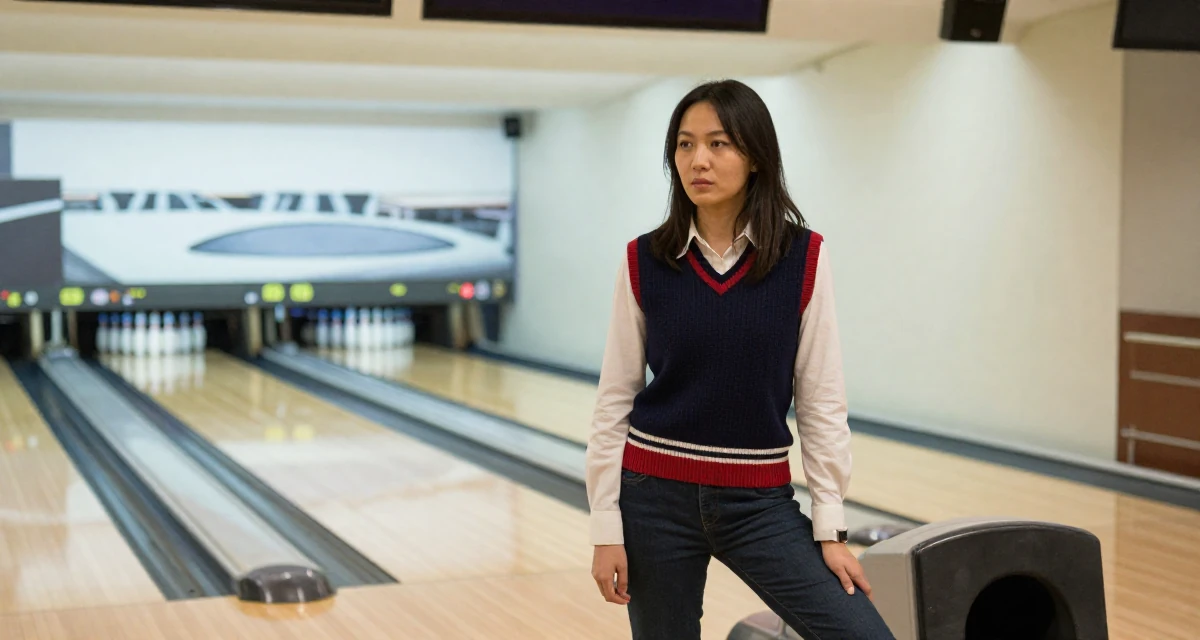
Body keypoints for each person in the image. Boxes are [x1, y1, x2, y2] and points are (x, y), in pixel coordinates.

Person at [585, 79, 895, 639]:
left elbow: (821, 400)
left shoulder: (803, 256)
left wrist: (830, 527)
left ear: (754, 157)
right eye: (684, 144)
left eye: (718, 143)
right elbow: (615, 398)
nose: (697, 160)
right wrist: (606, 527)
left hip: (758, 503)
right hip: (654, 499)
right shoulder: (644, 259)